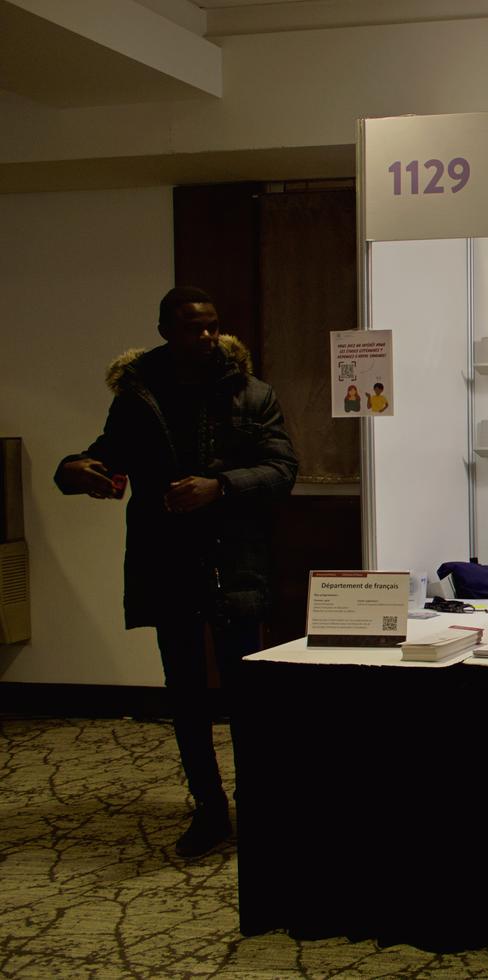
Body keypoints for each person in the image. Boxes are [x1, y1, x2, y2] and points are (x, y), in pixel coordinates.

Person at [54, 286, 298, 858]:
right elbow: (104, 454)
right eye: (193, 327)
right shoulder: (138, 396)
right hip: (166, 558)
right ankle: (209, 809)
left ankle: (256, 807)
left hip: (235, 558)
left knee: (246, 694)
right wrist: (75, 470)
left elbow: (282, 469)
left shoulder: (251, 392)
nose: (206, 336)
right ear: (165, 330)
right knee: (185, 695)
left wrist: (220, 486)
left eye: (212, 325)